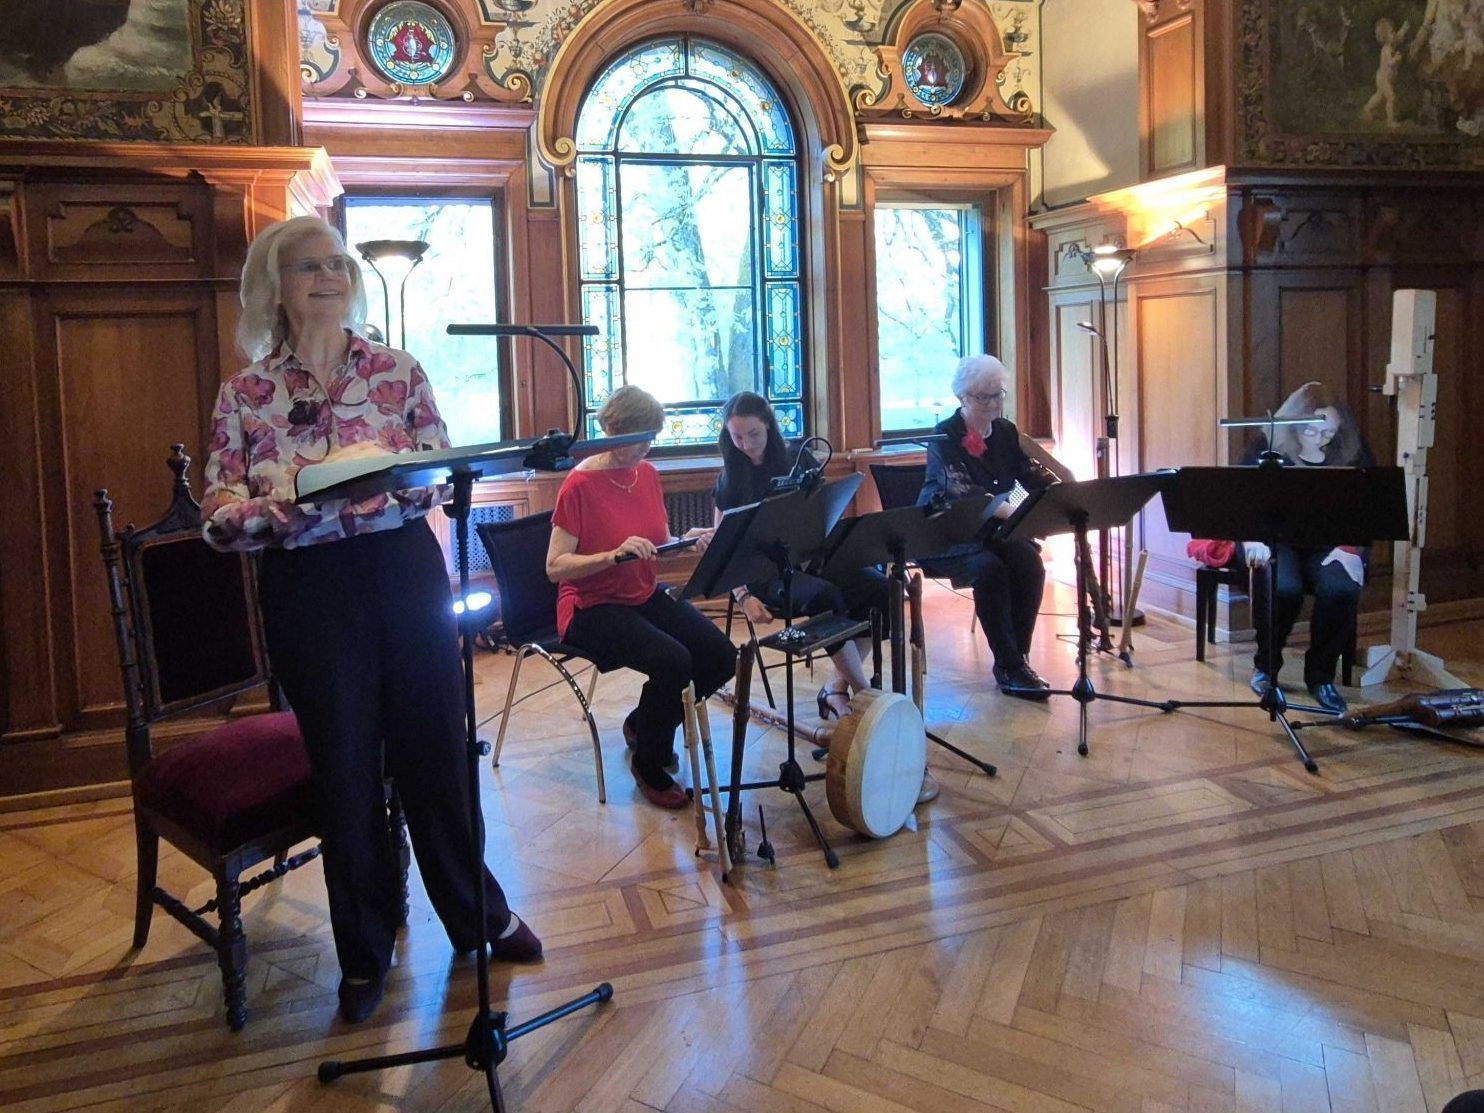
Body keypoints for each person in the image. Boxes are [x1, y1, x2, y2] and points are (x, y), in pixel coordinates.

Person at [200, 215, 540, 1025]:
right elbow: (216, 506)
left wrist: (387, 484)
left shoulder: (397, 370)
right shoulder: (245, 392)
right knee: (346, 768)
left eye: (336, 263)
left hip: (402, 571)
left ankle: (476, 915)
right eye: (307, 265)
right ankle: (364, 950)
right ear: (273, 286)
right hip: (309, 588)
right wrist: (269, 508)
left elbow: (436, 470)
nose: (328, 276)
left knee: (440, 750)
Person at [546, 385, 737, 810]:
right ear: (612, 430)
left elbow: (655, 541)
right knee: (673, 660)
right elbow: (555, 566)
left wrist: (684, 541)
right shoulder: (578, 485)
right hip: (590, 605)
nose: (648, 447)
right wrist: (612, 556)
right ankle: (648, 765)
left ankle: (644, 722)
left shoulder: (646, 473)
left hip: (641, 592)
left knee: (721, 656)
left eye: (653, 437)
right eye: (640, 437)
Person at [712, 392, 891, 722]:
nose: (746, 444)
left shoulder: (799, 458)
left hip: (811, 557)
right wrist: (743, 596)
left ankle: (837, 687)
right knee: (825, 596)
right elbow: (724, 550)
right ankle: (866, 697)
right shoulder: (730, 478)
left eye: (753, 434)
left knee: (881, 590)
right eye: (736, 436)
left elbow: (822, 511)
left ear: (769, 425)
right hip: (764, 573)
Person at [916, 354, 1063, 699]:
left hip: (991, 532)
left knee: (1029, 562)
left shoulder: (1006, 432)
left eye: (997, 395)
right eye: (983, 397)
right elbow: (967, 493)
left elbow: (1029, 474)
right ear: (962, 398)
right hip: (947, 532)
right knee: (990, 570)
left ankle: (1018, 660)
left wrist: (1060, 496)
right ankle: (1009, 666)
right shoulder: (945, 436)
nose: (992, 404)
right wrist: (1017, 515)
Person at [1240, 381, 1373, 713]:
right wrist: (1252, 539)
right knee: (1283, 588)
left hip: (1330, 543)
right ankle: (1266, 667)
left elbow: (1370, 505)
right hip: (1277, 540)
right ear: (1295, 425)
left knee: (1340, 589)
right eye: (1313, 432)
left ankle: (1321, 676)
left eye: (1329, 433)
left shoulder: (1352, 450)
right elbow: (1240, 501)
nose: (1322, 439)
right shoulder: (1266, 447)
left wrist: (1351, 548)